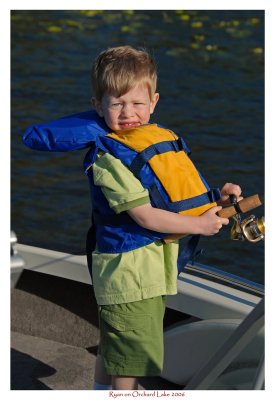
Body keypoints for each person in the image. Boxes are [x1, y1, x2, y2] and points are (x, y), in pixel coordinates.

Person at [84, 45, 242, 391]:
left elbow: (172, 197)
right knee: (131, 353)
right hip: (129, 273)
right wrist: (199, 225)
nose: (129, 113)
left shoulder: (155, 142)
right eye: (117, 103)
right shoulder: (109, 160)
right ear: (98, 106)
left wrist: (216, 199)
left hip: (145, 269)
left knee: (117, 343)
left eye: (138, 104)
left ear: (153, 102)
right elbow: (144, 216)